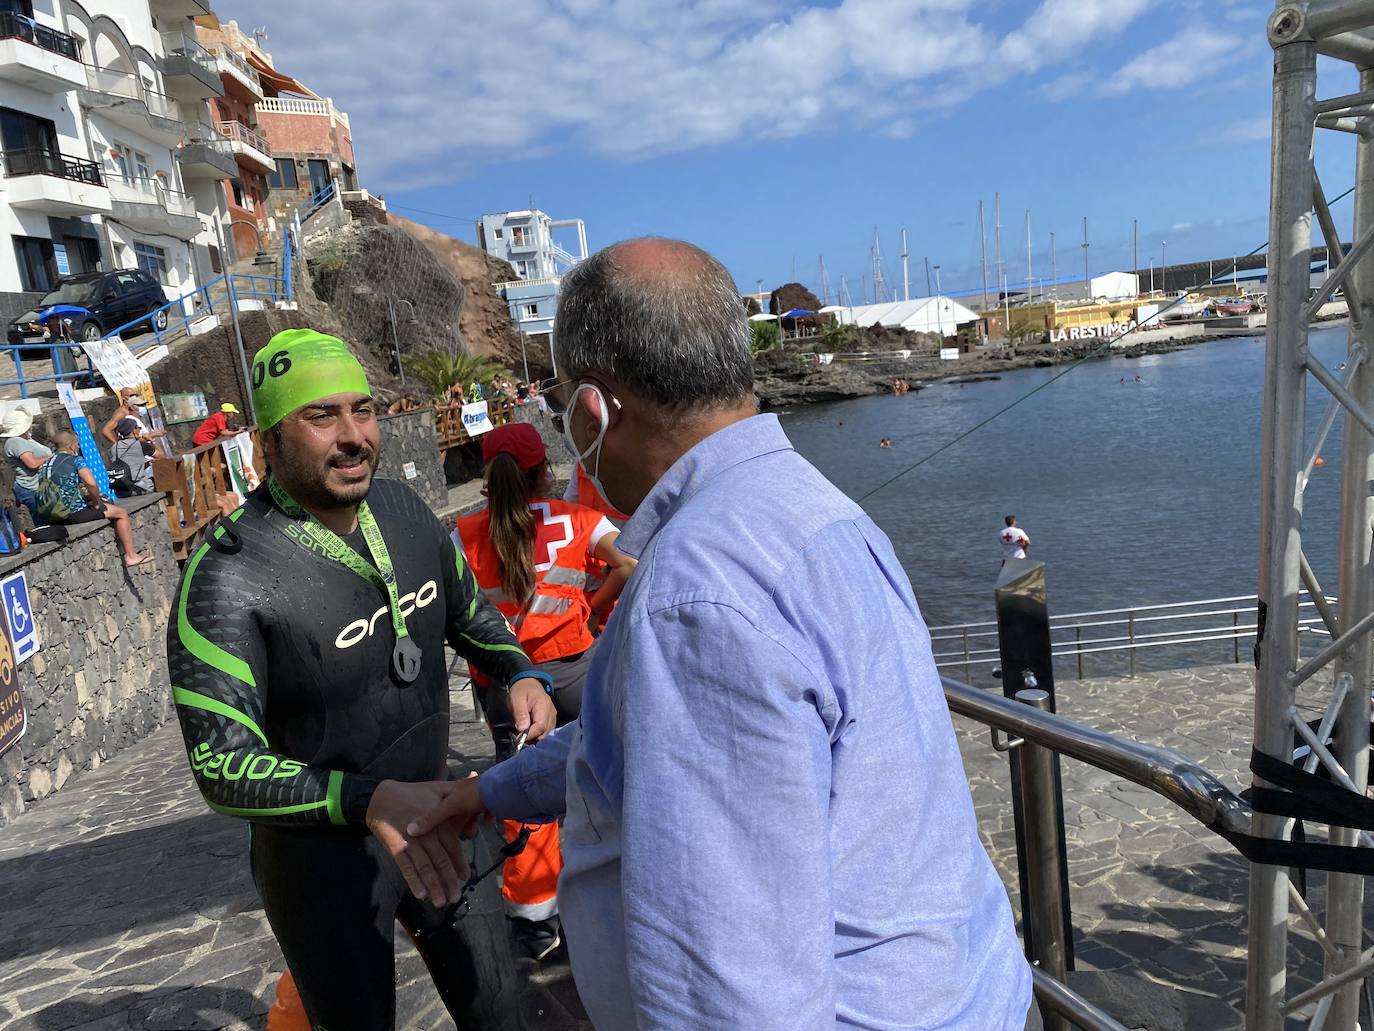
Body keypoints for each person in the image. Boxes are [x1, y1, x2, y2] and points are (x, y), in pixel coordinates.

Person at [412, 238, 1037, 1029]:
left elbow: (732, 994)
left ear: (593, 409)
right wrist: (483, 790)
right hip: (968, 989)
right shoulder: (819, 510)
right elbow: (637, 739)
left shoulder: (694, 598)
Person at [166, 328, 557, 1031]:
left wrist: (521, 672)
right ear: (267, 443)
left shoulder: (405, 513)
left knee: (505, 1014)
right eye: (321, 416)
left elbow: (474, 620)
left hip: (436, 819)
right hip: (320, 868)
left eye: (363, 409)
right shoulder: (227, 576)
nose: (353, 436)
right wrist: (371, 799)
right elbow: (221, 765)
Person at [454, 421, 635, 961]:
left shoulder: (462, 535)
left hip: (506, 683)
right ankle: (615, 884)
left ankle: (535, 921)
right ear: (543, 471)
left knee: (522, 786)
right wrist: (592, 608)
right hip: (577, 668)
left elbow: (453, 608)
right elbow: (628, 562)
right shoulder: (581, 521)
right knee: (605, 769)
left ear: (486, 475)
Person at [48, 429, 151, 566]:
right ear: (71, 446)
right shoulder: (75, 460)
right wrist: (96, 502)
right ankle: (131, 555)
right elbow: (91, 483)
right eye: (77, 444)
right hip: (72, 513)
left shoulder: (46, 463)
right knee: (121, 513)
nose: (79, 447)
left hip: (51, 513)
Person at [2, 408, 50, 518]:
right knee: (43, 521)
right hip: (30, 488)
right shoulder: (15, 441)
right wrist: (51, 458)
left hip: (40, 487)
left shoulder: (26, 439)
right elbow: (32, 464)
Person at [109, 417, 153, 493]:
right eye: (138, 428)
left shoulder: (114, 447)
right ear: (133, 430)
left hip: (121, 491)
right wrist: (151, 440)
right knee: (154, 467)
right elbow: (161, 455)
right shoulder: (140, 445)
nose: (140, 430)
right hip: (140, 487)